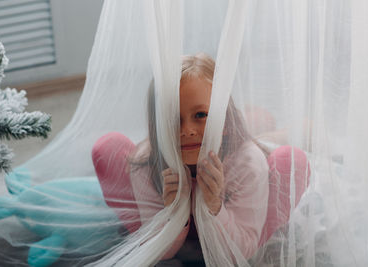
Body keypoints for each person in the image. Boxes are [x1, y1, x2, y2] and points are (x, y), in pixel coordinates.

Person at [93, 53, 270, 265]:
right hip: (175, 239)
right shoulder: (147, 165)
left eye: (201, 115)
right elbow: (161, 253)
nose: (187, 131)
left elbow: (240, 252)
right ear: (156, 126)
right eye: (173, 119)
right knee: (107, 149)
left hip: (231, 232)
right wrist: (175, 210)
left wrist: (214, 206)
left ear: (225, 120)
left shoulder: (247, 163)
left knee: (287, 162)